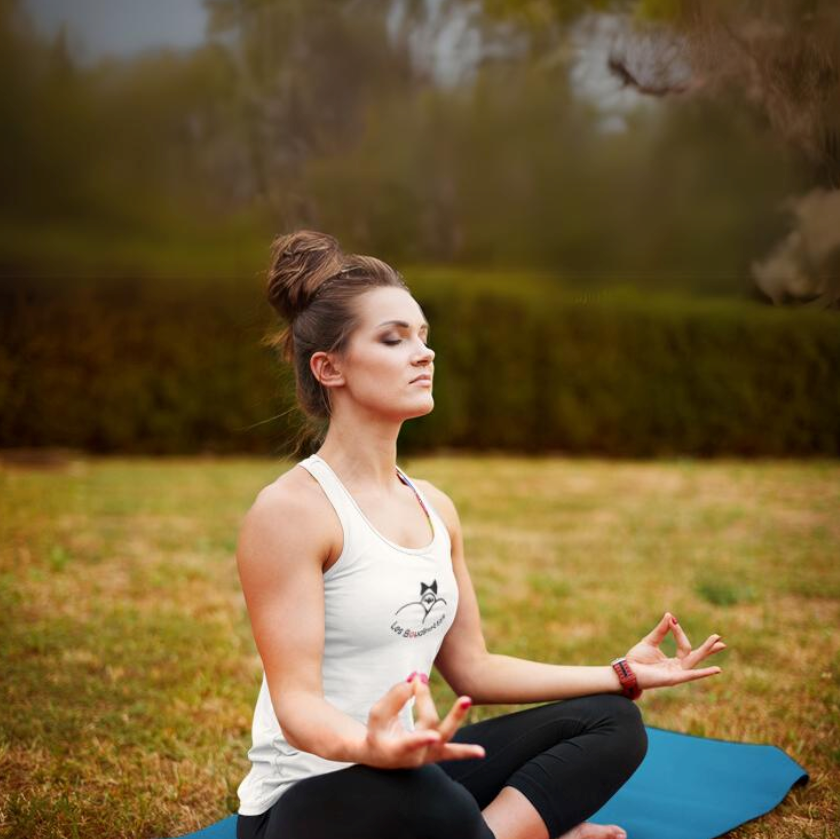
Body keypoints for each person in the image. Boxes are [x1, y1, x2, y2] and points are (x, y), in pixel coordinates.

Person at [234, 230, 727, 839]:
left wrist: (621, 674)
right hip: (308, 800)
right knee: (428, 799)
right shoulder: (290, 512)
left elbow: (473, 668)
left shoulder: (434, 507)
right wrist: (372, 745)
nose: (423, 353)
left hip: (414, 767)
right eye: (394, 339)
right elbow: (298, 704)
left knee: (612, 724)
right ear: (328, 366)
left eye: (423, 336)